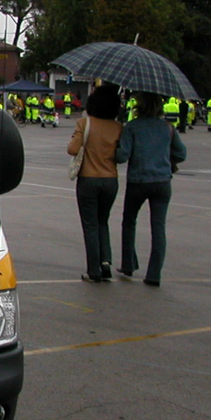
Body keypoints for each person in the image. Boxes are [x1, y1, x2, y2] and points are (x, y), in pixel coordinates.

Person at [115, 92, 188, 287]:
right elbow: (181, 153)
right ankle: (154, 274)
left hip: (138, 181)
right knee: (158, 227)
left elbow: (122, 156)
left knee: (129, 221)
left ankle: (128, 263)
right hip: (162, 182)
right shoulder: (168, 128)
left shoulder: (132, 127)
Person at [67, 85, 123, 282]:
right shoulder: (118, 127)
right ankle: (106, 260)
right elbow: (121, 156)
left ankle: (93, 270)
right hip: (110, 180)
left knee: (90, 225)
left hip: (88, 178)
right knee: (102, 221)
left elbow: (73, 149)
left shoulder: (84, 123)